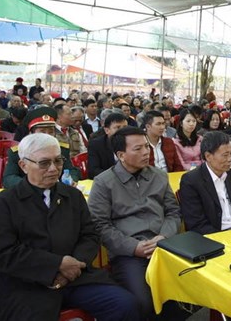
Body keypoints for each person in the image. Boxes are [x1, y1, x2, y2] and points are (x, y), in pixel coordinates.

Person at [0, 133, 138, 321]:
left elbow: (90, 236)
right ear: (23, 165)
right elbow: (4, 253)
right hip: (27, 283)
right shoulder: (4, 203)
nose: (53, 169)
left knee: (125, 305)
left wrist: (73, 266)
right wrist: (56, 265)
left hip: (76, 277)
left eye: (58, 161)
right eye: (44, 163)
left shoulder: (73, 196)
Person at [88, 127, 181, 320]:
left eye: (147, 146)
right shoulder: (104, 182)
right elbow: (99, 225)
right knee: (143, 302)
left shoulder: (158, 176)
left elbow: (173, 212)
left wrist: (164, 237)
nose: (146, 152)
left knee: (192, 290)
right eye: (138, 149)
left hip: (165, 246)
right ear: (121, 155)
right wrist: (133, 247)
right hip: (129, 253)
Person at [180, 130, 231, 234]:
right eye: (225, 155)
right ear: (208, 156)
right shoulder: (191, 181)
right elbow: (196, 223)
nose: (230, 159)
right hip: (212, 237)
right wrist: (223, 238)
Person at [3, 107, 81, 188]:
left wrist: (70, 180)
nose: (47, 136)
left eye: (51, 132)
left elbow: (71, 170)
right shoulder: (17, 153)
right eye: (42, 132)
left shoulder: (62, 149)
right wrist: (32, 185)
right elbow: (9, 178)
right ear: (31, 133)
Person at [87, 113, 128, 179]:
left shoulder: (132, 142)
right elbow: (93, 171)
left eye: (125, 127)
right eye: (118, 127)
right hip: (108, 180)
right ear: (107, 130)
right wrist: (117, 177)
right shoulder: (95, 144)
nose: (122, 131)